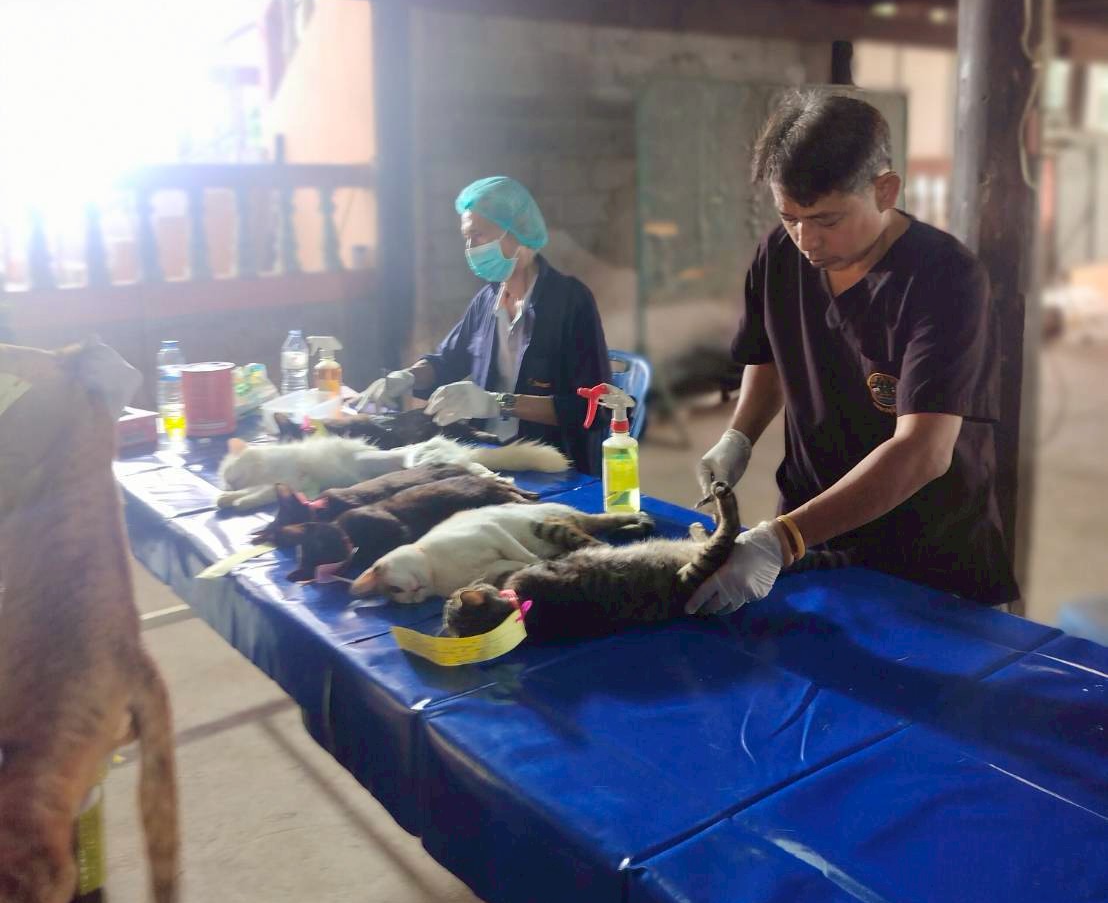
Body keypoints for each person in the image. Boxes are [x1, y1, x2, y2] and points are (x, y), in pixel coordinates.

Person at [687, 90, 1017, 617]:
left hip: (926, 555)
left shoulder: (945, 278)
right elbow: (771, 353)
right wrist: (738, 437)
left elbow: (924, 452)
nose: (806, 239)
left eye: (828, 220)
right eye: (790, 216)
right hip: (813, 529)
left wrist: (781, 540)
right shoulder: (779, 255)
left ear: (885, 190)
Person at [363, 176, 611, 474]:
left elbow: (592, 409)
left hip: (551, 463)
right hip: (486, 451)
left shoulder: (570, 302)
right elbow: (446, 361)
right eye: (466, 238)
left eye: (478, 235)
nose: (470, 247)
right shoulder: (487, 300)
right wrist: (406, 377)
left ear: (517, 233)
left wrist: (498, 403)